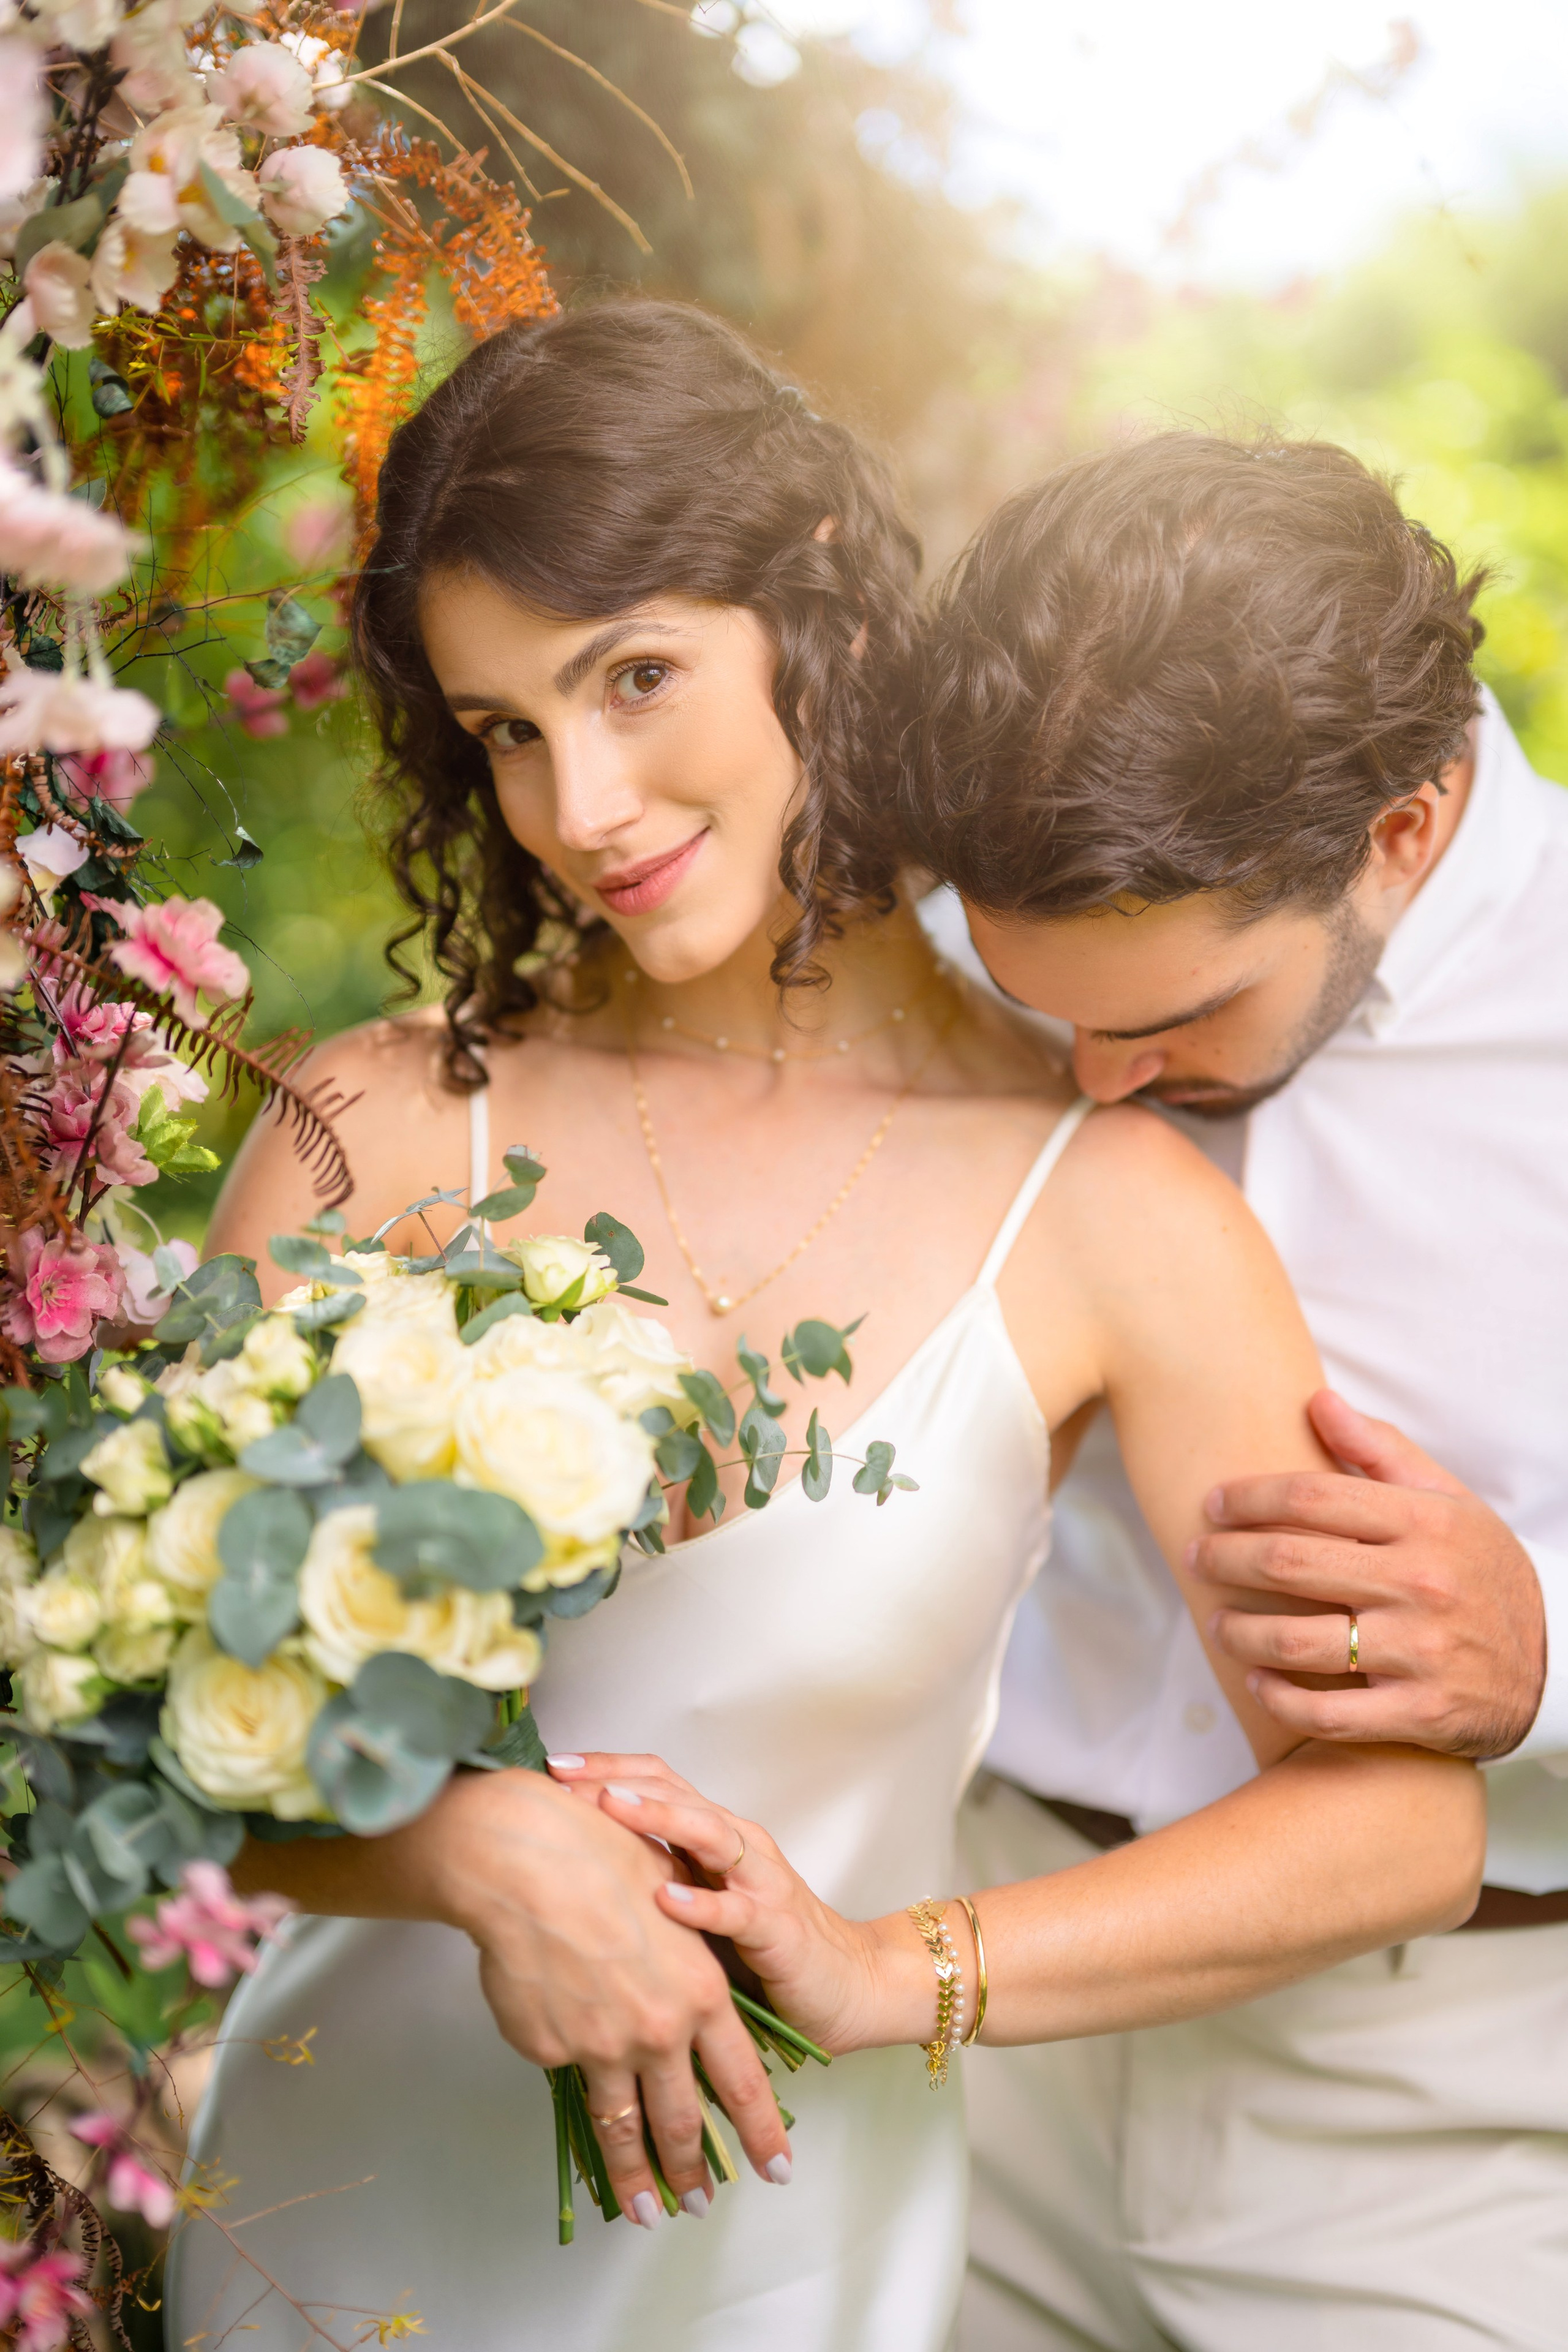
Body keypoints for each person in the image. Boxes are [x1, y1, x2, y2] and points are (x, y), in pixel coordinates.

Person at [165, 321, 1480, 2352]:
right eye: (505, 728)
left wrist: (893, 1973)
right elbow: (131, 1714)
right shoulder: (381, 1123)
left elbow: (1397, 1820)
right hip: (332, 2217)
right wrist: (480, 1851)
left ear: (823, 610)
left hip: (786, 2256)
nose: (582, 803)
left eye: (636, 677)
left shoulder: (1109, 1205)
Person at [894, 433, 1568, 2349]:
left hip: (1441, 2104)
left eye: (1177, 1018)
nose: (1095, 1086)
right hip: (968, 2008)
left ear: (1402, 831)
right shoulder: (957, 953)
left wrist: (1547, 1656)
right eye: (1052, 1013)